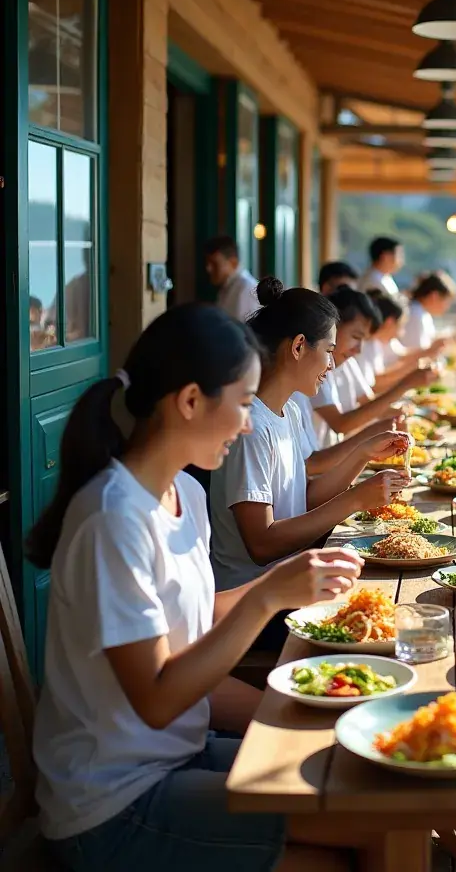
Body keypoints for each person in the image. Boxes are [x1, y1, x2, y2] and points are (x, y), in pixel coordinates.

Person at [29, 302, 366, 872]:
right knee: (348, 845)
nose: (246, 422)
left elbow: (197, 620)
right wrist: (267, 595)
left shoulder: (184, 494)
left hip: (181, 754)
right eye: (239, 403)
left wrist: (298, 713)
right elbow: (159, 698)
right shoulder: (112, 519)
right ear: (189, 401)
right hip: (113, 803)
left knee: (359, 792)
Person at [210, 277, 411, 596]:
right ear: (299, 346)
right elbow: (262, 544)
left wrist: (362, 455)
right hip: (251, 600)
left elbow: (302, 497)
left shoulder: (288, 410)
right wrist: (355, 498)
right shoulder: (250, 428)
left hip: (293, 580)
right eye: (329, 350)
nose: (332, 364)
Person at [309, 285, 435, 444]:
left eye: (364, 339)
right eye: (355, 336)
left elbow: (368, 402)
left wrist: (398, 414)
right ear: (331, 328)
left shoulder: (347, 362)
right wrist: (406, 384)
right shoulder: (315, 368)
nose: (359, 349)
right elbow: (341, 424)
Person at [204, 236, 259, 322]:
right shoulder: (230, 287)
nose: (208, 268)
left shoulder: (246, 289)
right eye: (207, 263)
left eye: (214, 264)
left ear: (233, 263)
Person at [401, 271, 456, 351]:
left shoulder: (422, 312)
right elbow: (416, 351)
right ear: (434, 296)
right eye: (446, 301)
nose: (447, 307)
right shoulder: (415, 314)